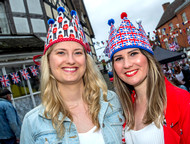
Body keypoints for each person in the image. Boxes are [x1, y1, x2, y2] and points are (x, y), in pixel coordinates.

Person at [20, 7, 124, 144]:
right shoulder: (33, 122)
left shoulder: (111, 101)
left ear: (86, 61)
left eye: (78, 52)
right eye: (61, 52)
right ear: (48, 61)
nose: (70, 60)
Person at [105, 12, 190, 144]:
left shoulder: (181, 100)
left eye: (133, 53)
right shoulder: (125, 106)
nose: (127, 64)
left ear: (148, 58)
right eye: (119, 58)